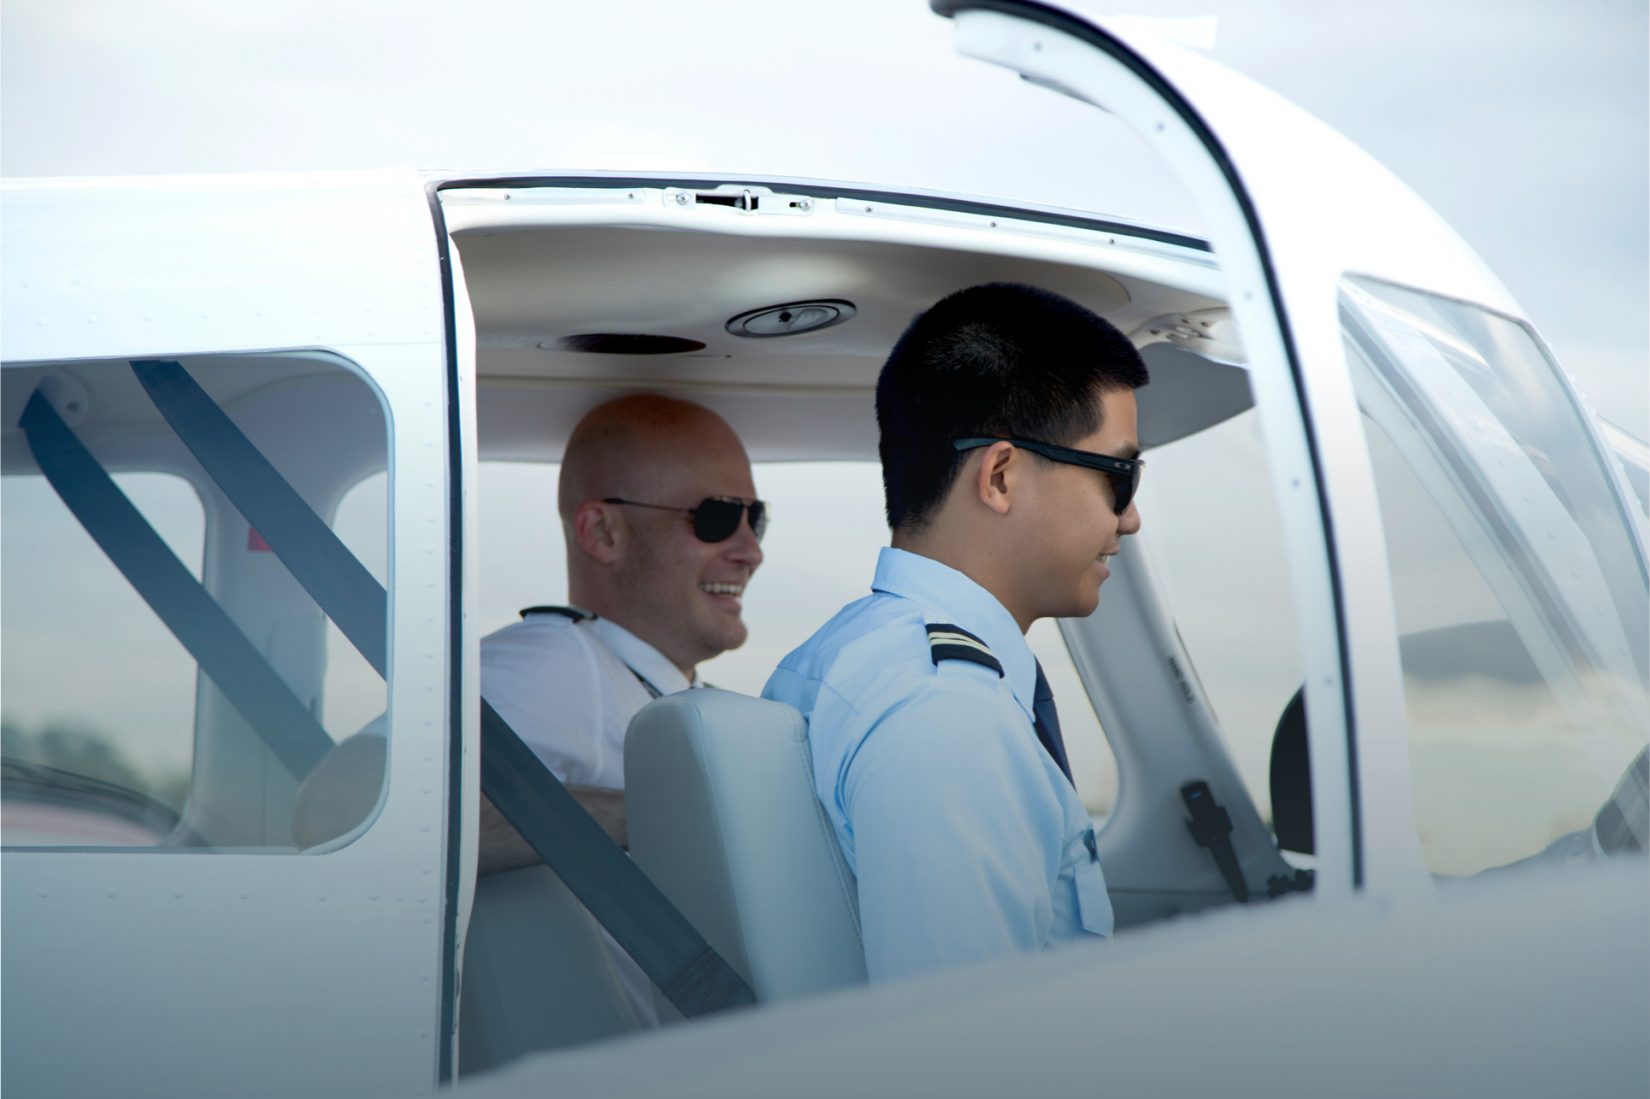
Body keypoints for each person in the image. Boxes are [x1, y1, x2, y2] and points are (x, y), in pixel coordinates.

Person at [293, 392, 765, 1023]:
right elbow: (338, 808)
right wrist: (665, 815)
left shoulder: (644, 686)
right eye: (715, 517)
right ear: (601, 531)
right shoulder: (559, 661)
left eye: (754, 519)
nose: (748, 550)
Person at [763, 282, 1147, 984]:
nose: (1129, 519)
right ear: (999, 475)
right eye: (1120, 477)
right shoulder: (946, 712)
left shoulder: (856, 656)